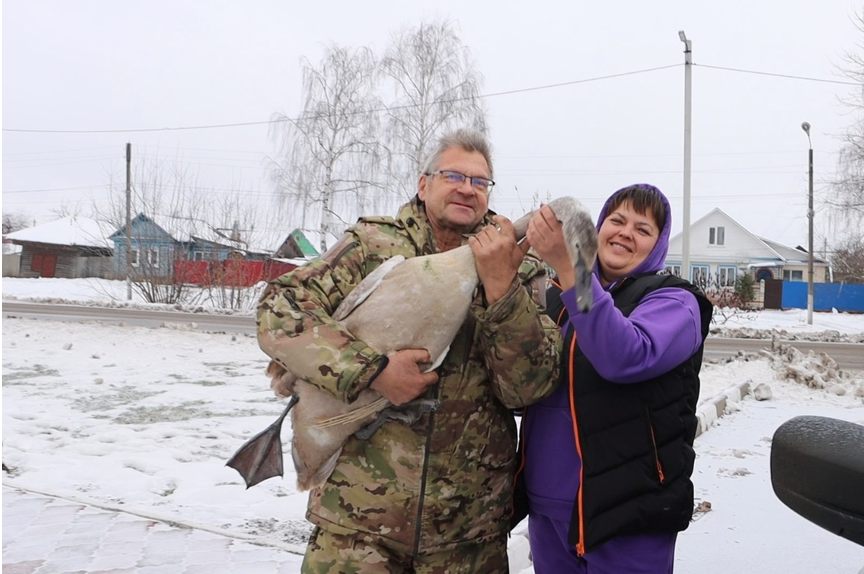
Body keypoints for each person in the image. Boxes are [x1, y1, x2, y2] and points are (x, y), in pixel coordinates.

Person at [256, 129, 563, 573]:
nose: (467, 189)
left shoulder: (518, 265)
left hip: (467, 533)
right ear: (424, 184)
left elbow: (528, 389)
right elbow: (279, 310)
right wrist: (371, 370)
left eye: (480, 182)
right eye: (453, 175)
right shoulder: (372, 247)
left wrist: (501, 290)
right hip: (356, 522)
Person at [514, 183, 713, 573]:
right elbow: (522, 383)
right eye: (617, 220)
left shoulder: (674, 301)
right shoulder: (557, 297)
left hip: (629, 512)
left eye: (643, 229)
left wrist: (574, 270)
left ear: (658, 245)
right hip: (549, 506)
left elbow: (623, 356)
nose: (625, 232)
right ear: (599, 228)